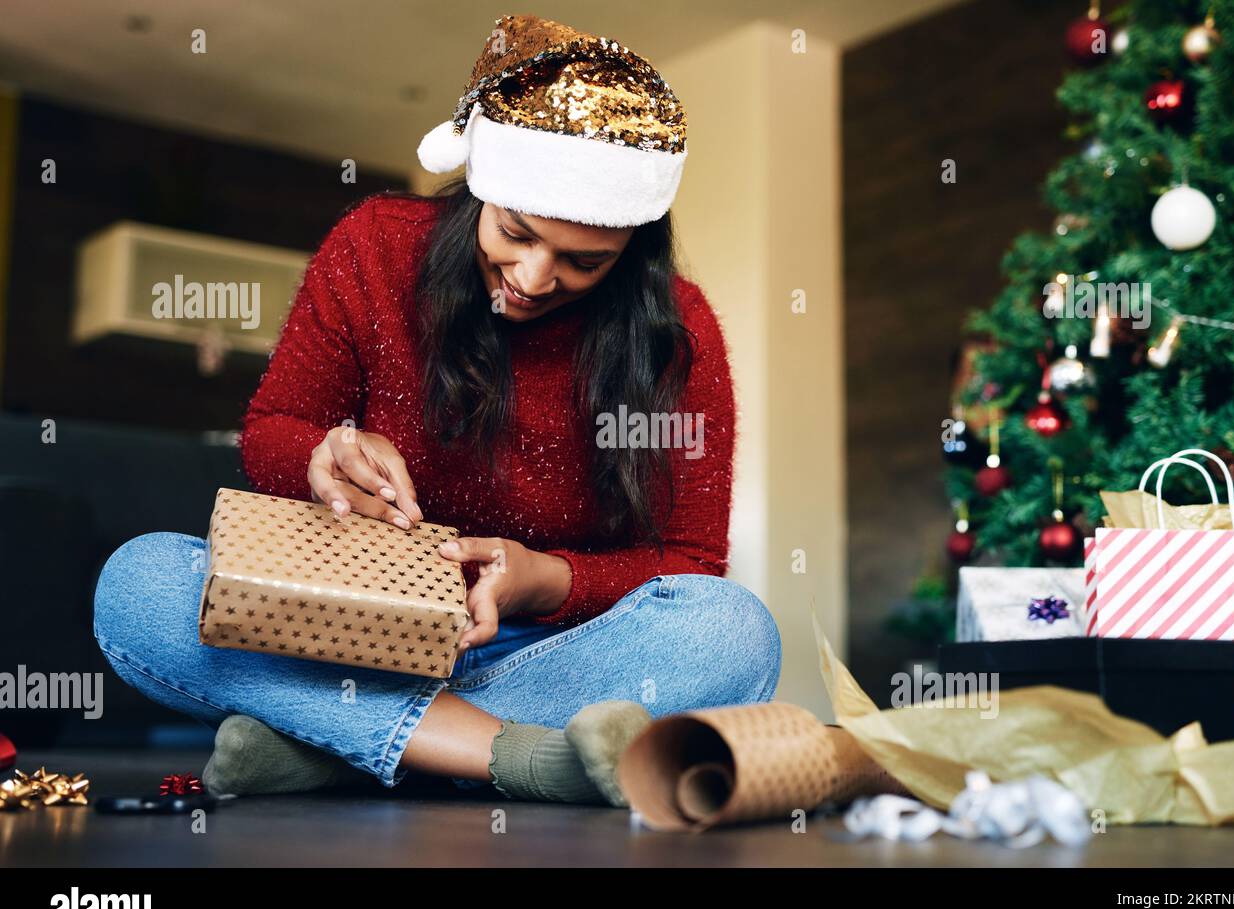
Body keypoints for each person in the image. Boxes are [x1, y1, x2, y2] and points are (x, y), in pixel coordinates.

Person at [93, 13, 781, 807]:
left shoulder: (677, 332)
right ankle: (519, 754)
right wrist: (323, 453)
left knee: (734, 632)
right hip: (344, 633)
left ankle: (335, 744)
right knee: (138, 584)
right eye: (514, 232)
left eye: (583, 262)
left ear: (633, 247)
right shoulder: (376, 249)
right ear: (480, 189)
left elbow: (691, 562)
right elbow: (271, 430)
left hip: (542, 650)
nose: (530, 276)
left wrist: (544, 580)